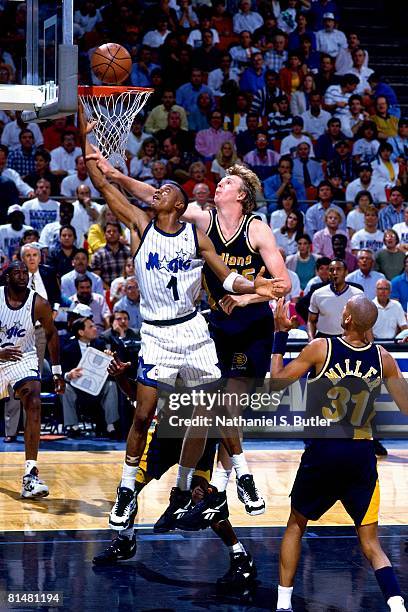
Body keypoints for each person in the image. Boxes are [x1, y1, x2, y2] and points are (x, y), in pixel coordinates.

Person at [81, 107, 288, 530]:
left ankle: (241, 476)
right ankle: (128, 488)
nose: (158, 192)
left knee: (214, 408)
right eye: (157, 190)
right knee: (143, 415)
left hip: (196, 329)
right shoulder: (141, 225)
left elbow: (227, 277)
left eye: (165, 190)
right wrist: (89, 143)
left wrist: (257, 290)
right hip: (157, 334)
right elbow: (106, 184)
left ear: (178, 202)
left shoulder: (199, 234)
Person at [271, 295, 408, 612]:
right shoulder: (383, 357)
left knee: (296, 524)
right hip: (361, 453)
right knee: (371, 542)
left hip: (325, 449)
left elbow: (276, 384)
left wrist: (279, 335)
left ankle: (283, 605)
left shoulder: (321, 348)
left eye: (345, 310)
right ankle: (397, 604)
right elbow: (405, 406)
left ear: (346, 320)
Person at [92, 354, 258, 593]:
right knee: (128, 487)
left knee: (203, 501)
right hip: (165, 438)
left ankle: (240, 555)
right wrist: (120, 378)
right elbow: (139, 402)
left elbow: (227, 419)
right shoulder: (161, 357)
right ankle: (125, 540)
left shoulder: (207, 368)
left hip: (200, 442)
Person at [0, 261, 64, 496]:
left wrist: (57, 372)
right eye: (16, 272)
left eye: (24, 272)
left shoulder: (39, 303)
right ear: (7, 277)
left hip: (21, 357)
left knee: (34, 401)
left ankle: (30, 474)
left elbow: (51, 334)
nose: (22, 276)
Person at [61, 316, 119, 438]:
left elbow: (109, 369)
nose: (95, 329)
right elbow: (61, 372)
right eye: (91, 327)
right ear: (81, 332)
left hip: (97, 387)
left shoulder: (101, 344)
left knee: (111, 385)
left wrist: (109, 357)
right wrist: (69, 374)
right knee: (65, 388)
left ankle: (111, 426)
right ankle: (73, 426)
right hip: (77, 388)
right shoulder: (67, 348)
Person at [308, 258, 363, 339]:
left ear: (346, 272)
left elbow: (363, 322)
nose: (334, 273)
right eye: (331, 270)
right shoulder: (318, 294)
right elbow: (311, 321)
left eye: (338, 269)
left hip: (348, 338)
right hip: (324, 338)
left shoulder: (358, 294)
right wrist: (311, 340)